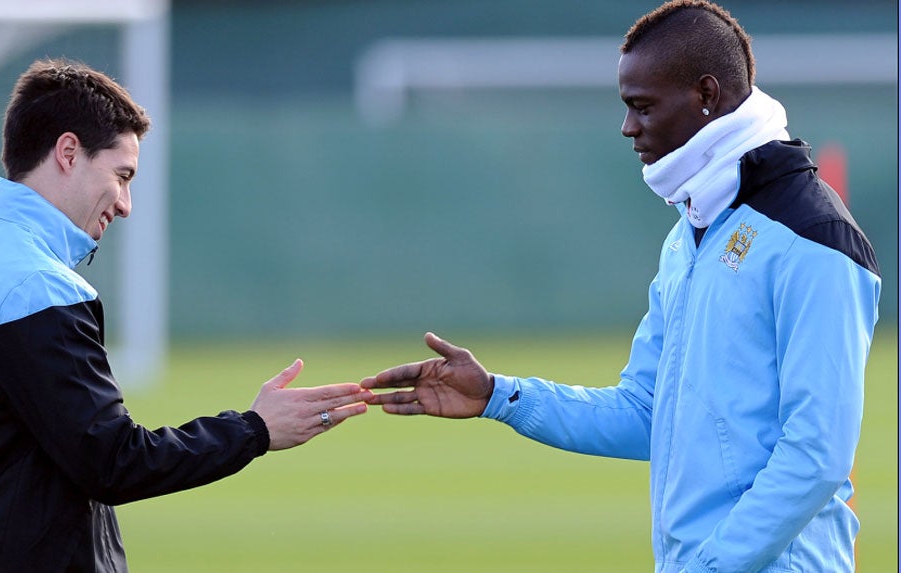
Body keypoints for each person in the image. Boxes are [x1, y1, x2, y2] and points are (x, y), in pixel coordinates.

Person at [362, 2, 881, 572]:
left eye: (642, 107)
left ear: (706, 94)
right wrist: (498, 395)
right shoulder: (692, 231)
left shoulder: (816, 238)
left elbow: (816, 454)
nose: (628, 127)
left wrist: (710, 567)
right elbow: (646, 412)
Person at [0, 58, 371, 572]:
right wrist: (254, 429)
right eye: (122, 175)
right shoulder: (34, 285)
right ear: (67, 152)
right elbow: (114, 461)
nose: (125, 204)